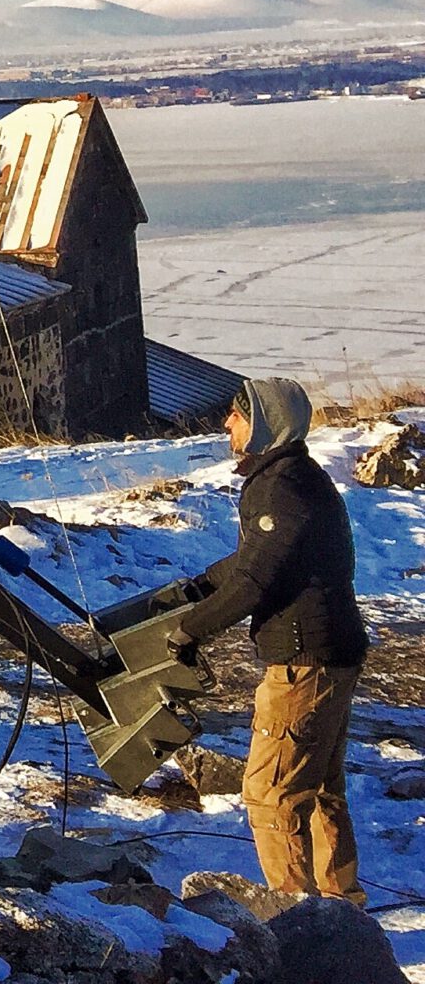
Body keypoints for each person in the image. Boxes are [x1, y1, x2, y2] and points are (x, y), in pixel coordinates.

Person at [172, 376, 368, 900]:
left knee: (271, 796)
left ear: (263, 424)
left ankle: (295, 914)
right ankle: (340, 908)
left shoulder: (280, 488)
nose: (226, 424)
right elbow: (258, 558)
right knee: (321, 788)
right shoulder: (294, 479)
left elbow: (257, 582)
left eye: (237, 415)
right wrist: (201, 586)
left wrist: (188, 631)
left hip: (305, 663)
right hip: (332, 653)